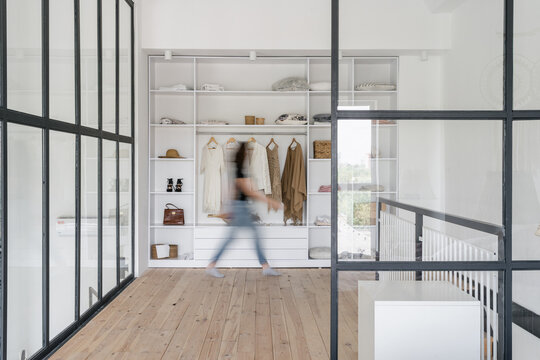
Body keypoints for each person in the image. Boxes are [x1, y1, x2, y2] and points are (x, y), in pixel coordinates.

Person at [206, 142, 283, 278]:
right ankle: (265, 266)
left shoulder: (238, 171)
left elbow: (232, 191)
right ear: (244, 154)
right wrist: (271, 202)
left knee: (239, 238)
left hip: (239, 208)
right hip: (241, 209)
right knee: (247, 237)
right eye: (247, 153)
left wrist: (228, 208)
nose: (249, 154)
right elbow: (250, 192)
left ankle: (265, 266)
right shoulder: (240, 172)